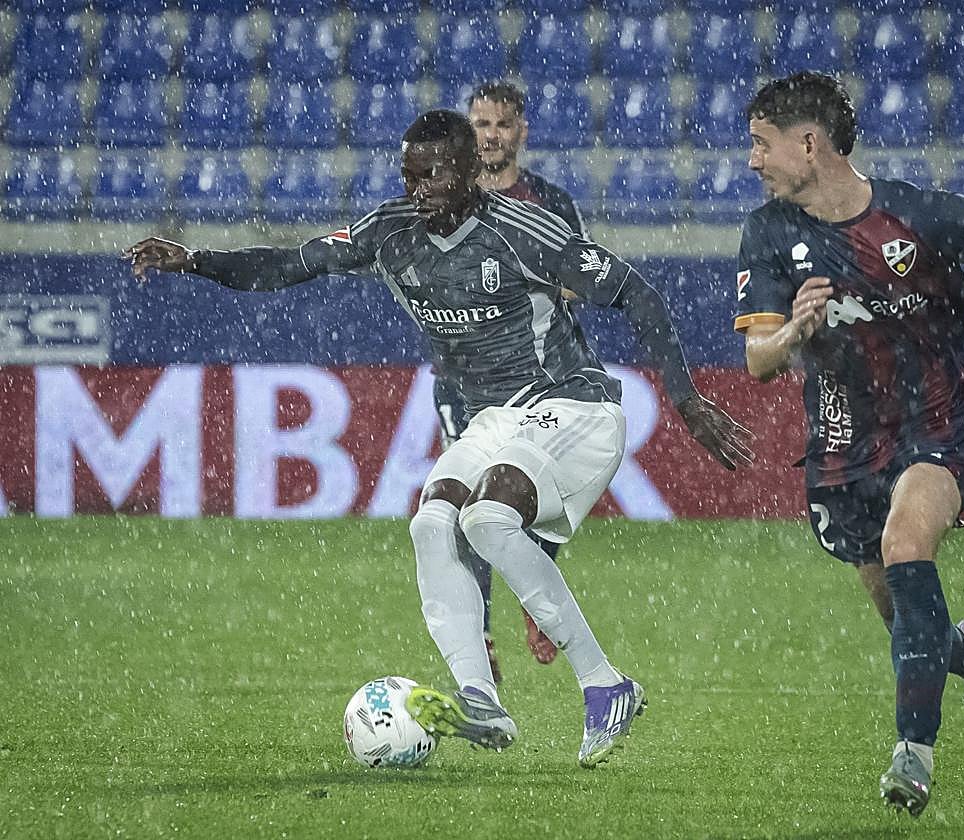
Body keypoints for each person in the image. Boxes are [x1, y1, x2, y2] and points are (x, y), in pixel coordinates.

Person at [126, 109, 754, 769]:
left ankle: (605, 686)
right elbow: (289, 263)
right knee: (431, 524)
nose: (417, 188)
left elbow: (638, 293)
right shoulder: (389, 230)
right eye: (408, 175)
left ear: (466, 173)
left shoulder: (523, 230)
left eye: (431, 175)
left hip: (573, 406)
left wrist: (685, 401)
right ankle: (481, 699)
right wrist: (195, 260)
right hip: (493, 422)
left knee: (487, 516)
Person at [733, 73, 964, 815]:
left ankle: (913, 756)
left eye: (760, 144)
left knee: (909, 544)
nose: (752, 161)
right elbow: (757, 360)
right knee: (907, 620)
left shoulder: (917, 214)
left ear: (809, 144)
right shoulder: (769, 233)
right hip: (843, 447)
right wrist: (795, 331)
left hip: (944, 424)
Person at [432, 80, 590, 679]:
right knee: (466, 498)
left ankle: (534, 596)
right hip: (462, 376)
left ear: (520, 131)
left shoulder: (549, 202)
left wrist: (520, 286)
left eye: (500, 124)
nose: (489, 135)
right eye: (479, 124)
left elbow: (581, 280)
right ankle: (479, 630)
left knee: (531, 490)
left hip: (535, 375)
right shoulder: (448, 199)